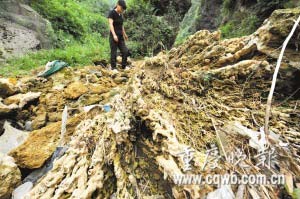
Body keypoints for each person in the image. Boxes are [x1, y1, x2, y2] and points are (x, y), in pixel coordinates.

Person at [107, 0, 129, 70]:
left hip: (120, 36)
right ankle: (113, 68)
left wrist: (124, 34)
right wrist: (114, 35)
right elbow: (110, 24)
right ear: (117, 5)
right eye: (121, 8)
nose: (122, 10)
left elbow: (121, 25)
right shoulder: (112, 13)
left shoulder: (121, 15)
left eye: (123, 9)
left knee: (125, 51)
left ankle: (124, 66)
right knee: (114, 52)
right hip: (114, 36)